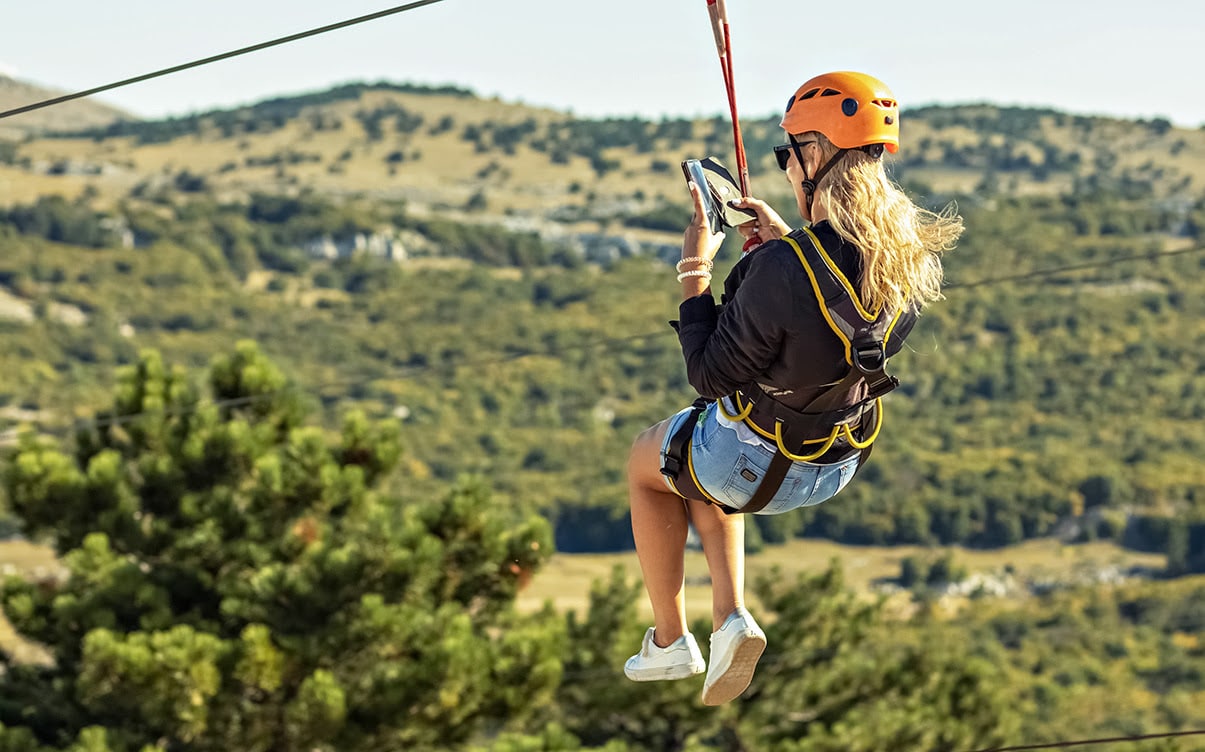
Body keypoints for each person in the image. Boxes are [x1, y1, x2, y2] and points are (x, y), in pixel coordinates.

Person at [623, 71, 964, 705]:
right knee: (697, 451)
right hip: (834, 463)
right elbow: (824, 325)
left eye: (788, 154)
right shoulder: (907, 257)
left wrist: (696, 267)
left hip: (752, 465)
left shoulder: (783, 268)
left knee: (653, 458)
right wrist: (788, 246)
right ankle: (729, 622)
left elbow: (707, 372)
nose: (784, 168)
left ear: (816, 154)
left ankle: (670, 641)